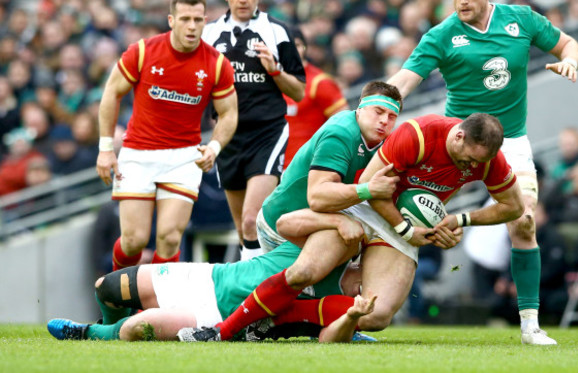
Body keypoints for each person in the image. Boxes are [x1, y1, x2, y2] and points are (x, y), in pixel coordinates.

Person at [177, 113, 524, 342]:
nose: (471, 167)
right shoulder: (417, 135)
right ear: (458, 135)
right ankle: (222, 331)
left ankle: (274, 323)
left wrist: (459, 220)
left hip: (402, 229)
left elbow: (514, 207)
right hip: (364, 211)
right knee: (304, 272)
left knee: (377, 314)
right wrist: (405, 230)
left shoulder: (487, 159)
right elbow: (373, 189)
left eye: (479, 164)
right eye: (468, 159)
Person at [386, 0, 578, 345]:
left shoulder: (521, 19)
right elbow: (404, 81)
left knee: (524, 222)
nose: (462, 1)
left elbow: (568, 45)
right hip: (454, 146)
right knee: (401, 212)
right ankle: (369, 300)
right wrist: (380, 105)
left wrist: (571, 63)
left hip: (509, 143)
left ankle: (529, 326)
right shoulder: (441, 34)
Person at [96, 0, 238, 271]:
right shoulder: (143, 52)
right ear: (171, 20)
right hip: (138, 152)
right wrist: (105, 149)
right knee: (134, 241)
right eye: (185, 19)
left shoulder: (216, 63)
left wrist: (215, 147)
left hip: (184, 157)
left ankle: (151, 311)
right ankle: (115, 303)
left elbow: (229, 113)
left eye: (198, 20)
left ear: (205, 21)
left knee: (170, 238)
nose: (192, 26)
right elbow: (111, 92)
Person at [46, 242, 374, 343]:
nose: (369, 289)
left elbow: (330, 339)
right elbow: (287, 217)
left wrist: (354, 321)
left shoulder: (344, 304)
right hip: (208, 276)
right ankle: (108, 323)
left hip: (216, 316)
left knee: (137, 328)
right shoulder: (323, 243)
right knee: (107, 287)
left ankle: (91, 333)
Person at [201, 0, 306, 261]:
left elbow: (298, 90)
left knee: (252, 221)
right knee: (242, 228)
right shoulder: (208, 35)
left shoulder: (277, 32)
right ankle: (264, 279)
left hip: (267, 132)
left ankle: (255, 292)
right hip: (227, 135)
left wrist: (274, 71)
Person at [283, 26, 348, 168]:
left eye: (297, 45)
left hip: (307, 167)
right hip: (274, 167)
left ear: (305, 48)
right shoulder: (271, 81)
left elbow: (344, 125)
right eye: (286, 45)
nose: (292, 50)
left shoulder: (320, 82)